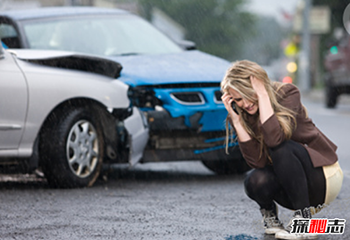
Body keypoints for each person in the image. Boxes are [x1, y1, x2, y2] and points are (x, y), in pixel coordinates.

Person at [220, 60, 343, 240]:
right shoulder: (242, 114)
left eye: (249, 94)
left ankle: (304, 222)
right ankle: (274, 219)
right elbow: (257, 162)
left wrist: (262, 95)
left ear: (260, 86)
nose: (245, 104)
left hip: (322, 177)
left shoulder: (287, 93)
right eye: (238, 99)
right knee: (254, 180)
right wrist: (237, 122)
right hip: (292, 186)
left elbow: (274, 139)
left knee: (280, 149)